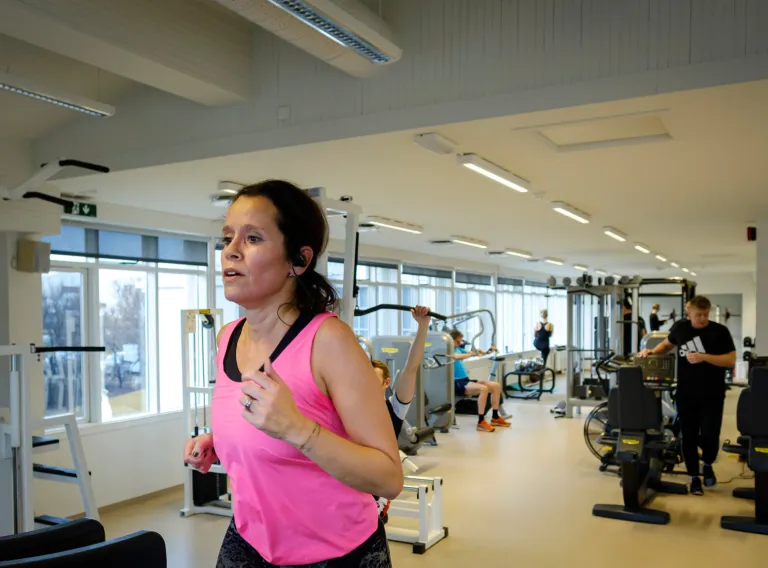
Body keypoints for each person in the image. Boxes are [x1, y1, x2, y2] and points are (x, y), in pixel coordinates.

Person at [183, 180, 402, 567]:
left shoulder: (329, 341)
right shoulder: (227, 338)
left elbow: (388, 478)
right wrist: (223, 440)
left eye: (252, 238)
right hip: (250, 538)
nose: (230, 252)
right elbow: (266, 427)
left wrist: (296, 430)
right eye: (228, 237)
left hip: (336, 552)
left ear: (298, 260)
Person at [638, 295, 736, 496]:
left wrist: (704, 357)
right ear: (688, 313)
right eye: (698, 314)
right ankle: (694, 477)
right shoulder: (680, 328)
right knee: (688, 436)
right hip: (686, 392)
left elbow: (730, 360)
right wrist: (650, 352)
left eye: (705, 315)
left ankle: (707, 464)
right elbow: (667, 344)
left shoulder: (720, 332)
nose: (702, 318)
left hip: (713, 393)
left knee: (709, 434)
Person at [371, 305, 431, 521]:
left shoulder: (393, 408)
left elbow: (411, 367)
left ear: (387, 383)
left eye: (373, 379)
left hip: (376, 481)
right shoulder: (350, 406)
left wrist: (422, 327)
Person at [450, 329, 510, 432]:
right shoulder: (447, 350)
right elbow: (456, 357)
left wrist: (486, 351)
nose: (460, 344)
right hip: (457, 383)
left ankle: (495, 417)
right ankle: (481, 422)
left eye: (461, 342)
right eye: (458, 342)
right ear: (451, 340)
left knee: (496, 386)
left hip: (465, 380)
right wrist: (472, 354)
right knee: (483, 389)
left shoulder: (458, 349)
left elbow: (471, 352)